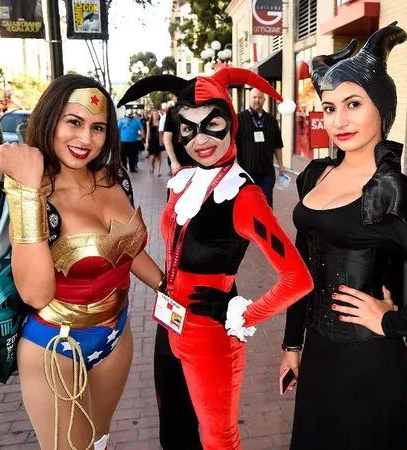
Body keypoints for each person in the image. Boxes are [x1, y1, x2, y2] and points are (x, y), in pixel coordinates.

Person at [279, 23, 407, 449]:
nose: (339, 121)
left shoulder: (389, 189)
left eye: (353, 104)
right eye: (329, 108)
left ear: (382, 108)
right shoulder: (314, 175)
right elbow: (301, 267)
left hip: (368, 362)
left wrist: (392, 322)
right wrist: (292, 345)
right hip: (320, 356)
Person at [118, 69, 313, 450]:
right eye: (188, 129)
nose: (201, 140)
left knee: (217, 437)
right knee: (173, 426)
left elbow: (298, 279)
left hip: (209, 334)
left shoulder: (243, 195)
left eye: (213, 124)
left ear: (232, 124)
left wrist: (242, 314)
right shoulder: (187, 179)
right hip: (169, 322)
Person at [0, 74, 165, 450]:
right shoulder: (35, 195)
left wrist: (169, 289)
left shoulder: (113, 177)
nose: (85, 139)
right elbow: (37, 293)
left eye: (98, 127)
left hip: (116, 334)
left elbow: (128, 249)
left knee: (99, 440)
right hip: (54, 348)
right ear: (50, 119)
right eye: (74, 122)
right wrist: (24, 191)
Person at [235, 88, 285, 208]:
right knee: (248, 203)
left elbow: (277, 145)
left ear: (264, 99)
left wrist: (281, 165)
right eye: (254, 97)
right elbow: (233, 144)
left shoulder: (271, 120)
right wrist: (235, 164)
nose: (257, 100)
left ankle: (266, 227)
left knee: (266, 204)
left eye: (259, 97)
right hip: (246, 171)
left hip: (267, 172)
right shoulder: (239, 118)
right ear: (249, 99)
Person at [146, 110, 163, 176]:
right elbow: (148, 133)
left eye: (156, 114)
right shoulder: (149, 123)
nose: (155, 115)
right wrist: (147, 142)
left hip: (158, 141)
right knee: (152, 157)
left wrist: (162, 140)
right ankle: (152, 167)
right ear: (152, 115)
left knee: (158, 157)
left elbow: (162, 132)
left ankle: (158, 171)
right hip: (152, 141)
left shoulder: (160, 122)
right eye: (154, 114)